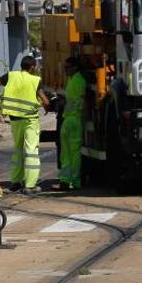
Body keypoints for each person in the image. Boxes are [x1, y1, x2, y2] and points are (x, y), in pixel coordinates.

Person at [0, 56, 49, 194]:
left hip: (15, 120)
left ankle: (16, 182)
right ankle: (30, 185)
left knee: (17, 150)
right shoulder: (35, 80)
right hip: (30, 120)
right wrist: (48, 106)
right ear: (32, 67)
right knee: (31, 151)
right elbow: (45, 101)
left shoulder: (10, 76)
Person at [59, 57, 87, 190]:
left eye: (67, 67)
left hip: (71, 119)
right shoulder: (76, 80)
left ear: (75, 67)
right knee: (73, 153)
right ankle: (74, 181)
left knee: (67, 153)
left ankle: (66, 180)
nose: (65, 70)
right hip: (73, 120)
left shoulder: (75, 81)